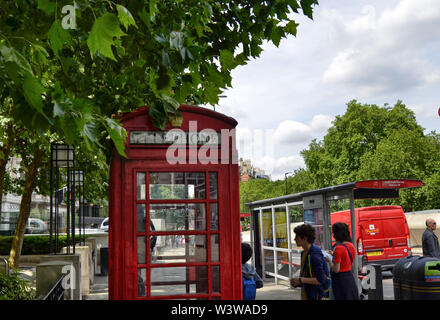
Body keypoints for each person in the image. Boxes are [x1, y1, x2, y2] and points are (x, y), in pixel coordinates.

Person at [290, 224, 331, 300]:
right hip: (308, 294)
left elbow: (320, 279)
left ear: (304, 238)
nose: (294, 239)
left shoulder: (315, 255)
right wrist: (299, 283)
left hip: (317, 295)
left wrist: (300, 280)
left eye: (297, 237)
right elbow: (308, 276)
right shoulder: (304, 253)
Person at [325, 222, 359, 300]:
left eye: (333, 233)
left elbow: (336, 270)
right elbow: (346, 258)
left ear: (337, 234)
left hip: (340, 281)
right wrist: (334, 254)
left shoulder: (338, 248)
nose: (333, 235)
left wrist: (329, 260)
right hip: (349, 278)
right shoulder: (351, 245)